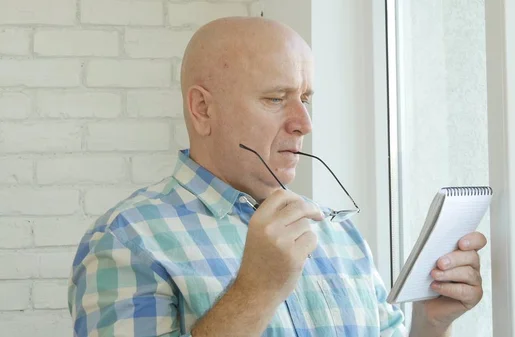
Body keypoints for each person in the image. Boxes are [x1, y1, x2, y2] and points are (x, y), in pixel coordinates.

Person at [68, 16, 487, 337]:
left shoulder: (338, 233)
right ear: (202, 110)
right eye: (275, 98)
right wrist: (257, 289)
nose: (303, 123)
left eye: (305, 99)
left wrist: (431, 324)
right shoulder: (127, 241)